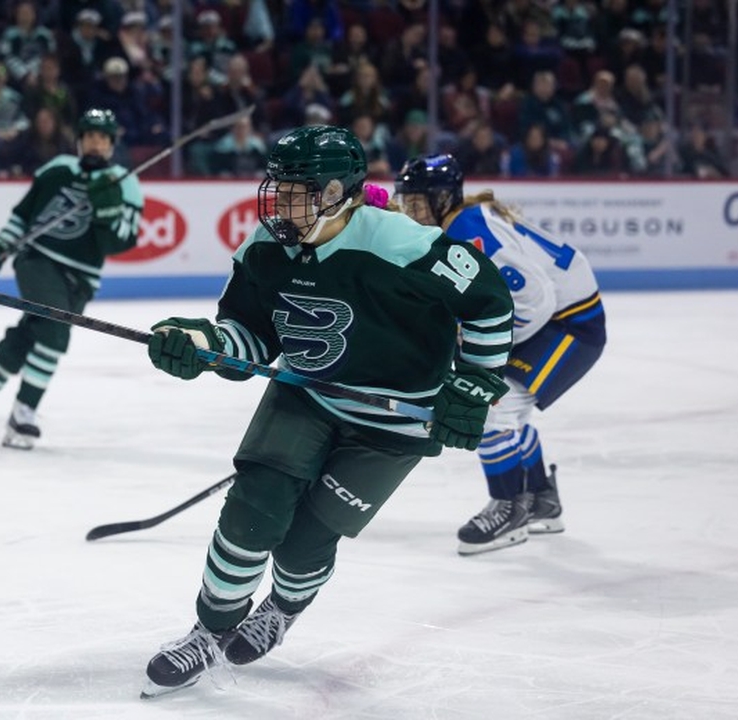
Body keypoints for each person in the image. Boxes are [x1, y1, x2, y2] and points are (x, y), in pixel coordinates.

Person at [140, 125, 514, 698]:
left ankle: (282, 611)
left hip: (395, 425)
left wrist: (477, 382)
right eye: (279, 187)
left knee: (303, 544)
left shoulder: (401, 243)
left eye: (298, 190)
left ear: (338, 192)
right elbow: (250, 339)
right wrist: (205, 346)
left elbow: (488, 302)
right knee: (252, 514)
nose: (281, 202)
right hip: (307, 395)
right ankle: (209, 631)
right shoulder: (264, 249)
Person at [394, 154, 606, 555]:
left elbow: (535, 297)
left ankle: (509, 508)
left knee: (494, 408)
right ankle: (541, 501)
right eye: (408, 202)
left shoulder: (468, 230)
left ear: (444, 199)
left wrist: (483, 350)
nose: (412, 211)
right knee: (507, 410)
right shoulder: (461, 221)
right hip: (559, 319)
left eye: (419, 202)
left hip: (569, 323)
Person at [0, 108, 143, 449]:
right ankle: (23, 415)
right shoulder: (57, 170)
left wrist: (107, 211)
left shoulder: (125, 184)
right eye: (89, 137)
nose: (96, 144)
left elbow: (120, 242)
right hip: (38, 262)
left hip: (81, 281)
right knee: (54, 332)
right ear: (79, 141)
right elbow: (23, 219)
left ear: (112, 144)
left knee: (18, 347)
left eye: (103, 138)